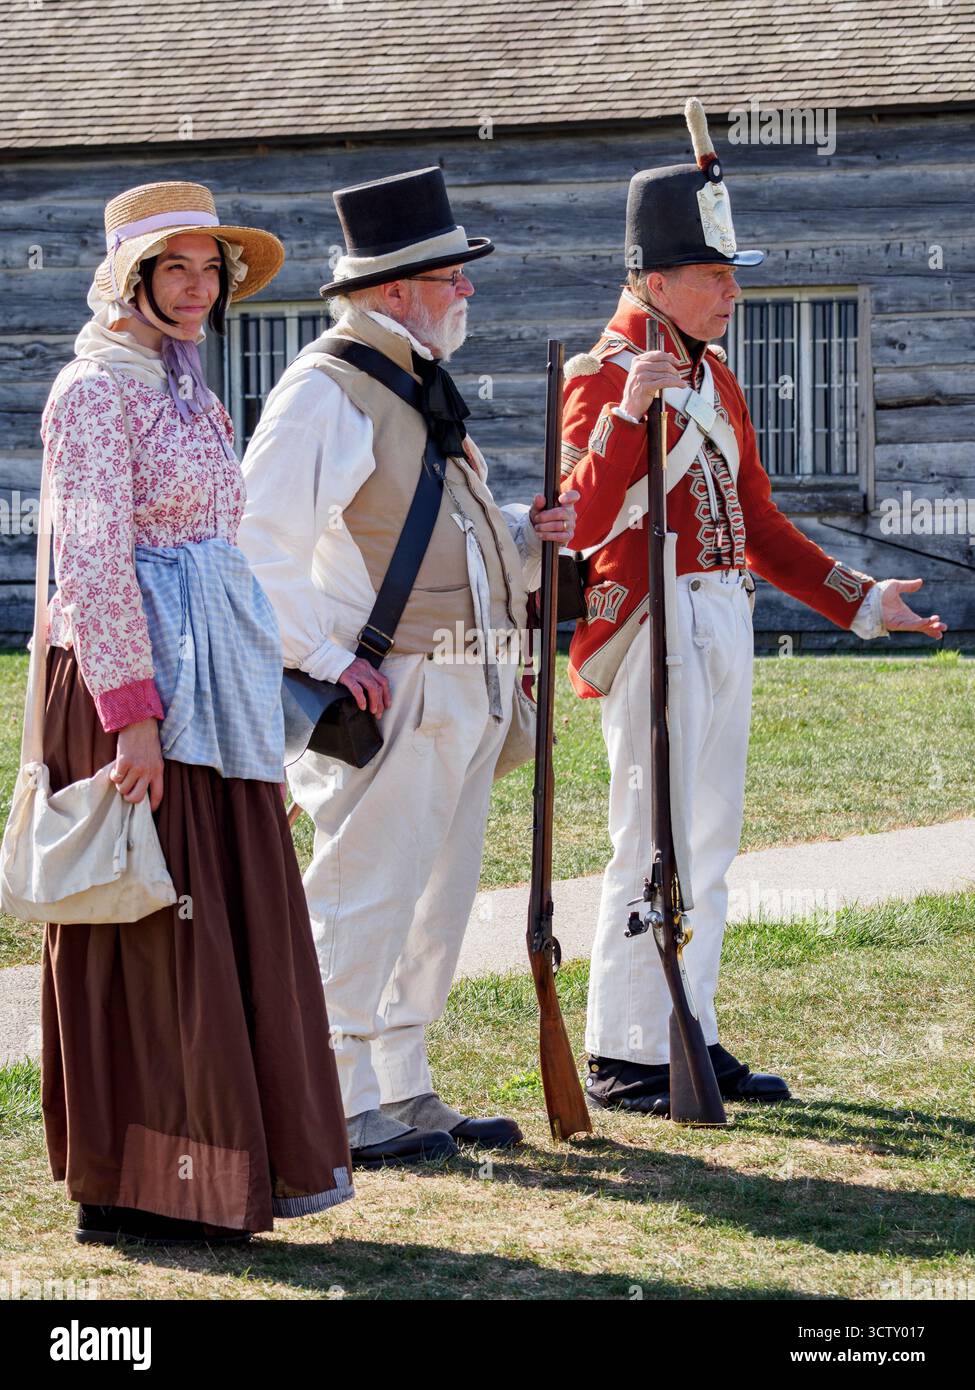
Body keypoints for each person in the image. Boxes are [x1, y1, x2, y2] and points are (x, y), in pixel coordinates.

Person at [560, 101, 946, 1117]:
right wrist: (631, 413)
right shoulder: (605, 377)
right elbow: (582, 517)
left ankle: (694, 1026)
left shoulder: (716, 378)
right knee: (651, 837)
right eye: (715, 274)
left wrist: (863, 604)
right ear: (654, 281)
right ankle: (628, 1049)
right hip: (653, 626)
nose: (735, 289)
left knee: (711, 836)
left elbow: (763, 526)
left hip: (721, 617)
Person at [238, 166, 578, 1166]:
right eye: (451, 275)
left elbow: (453, 539)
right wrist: (328, 657)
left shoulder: (419, 386)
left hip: (464, 685)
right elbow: (257, 542)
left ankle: (402, 1085)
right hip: (398, 689)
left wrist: (526, 531)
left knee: (437, 896)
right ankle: (332, 1103)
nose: (467, 290)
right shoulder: (326, 390)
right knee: (364, 889)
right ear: (395, 291)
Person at [37, 180, 353, 1243]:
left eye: (209, 269)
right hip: (133, 687)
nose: (197, 288)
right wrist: (130, 713)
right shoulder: (94, 393)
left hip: (208, 684)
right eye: (174, 267)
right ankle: (134, 1185)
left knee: (214, 926)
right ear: (129, 280)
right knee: (147, 922)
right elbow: (87, 560)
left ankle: (211, 1173)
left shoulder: (191, 392)